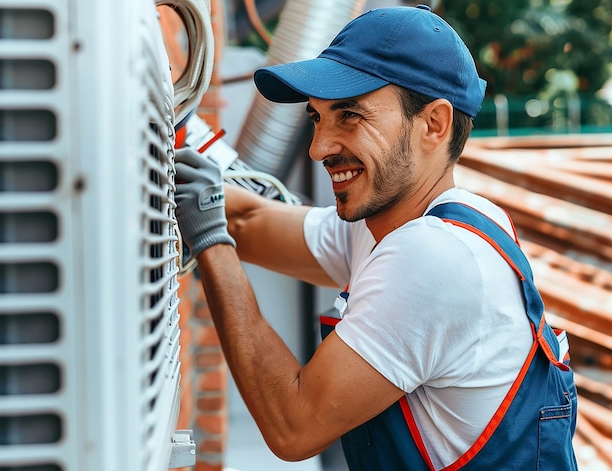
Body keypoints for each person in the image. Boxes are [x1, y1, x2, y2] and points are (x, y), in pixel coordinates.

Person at [174, 5, 578, 470]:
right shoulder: (409, 223)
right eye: (316, 118)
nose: (319, 147)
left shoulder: (435, 257)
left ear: (434, 124)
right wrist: (184, 168)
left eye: (349, 115)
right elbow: (248, 225)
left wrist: (209, 239)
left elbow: (293, 425)